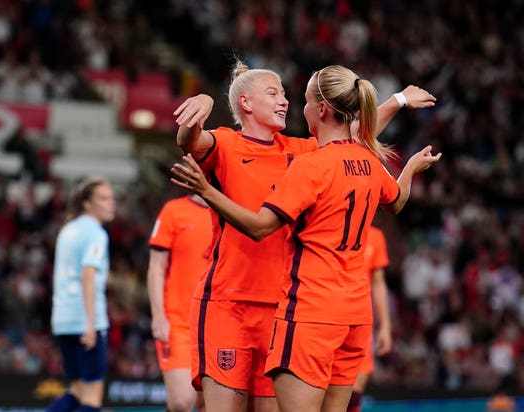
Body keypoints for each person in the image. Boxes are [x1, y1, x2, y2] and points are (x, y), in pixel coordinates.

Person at [171, 64, 441, 412]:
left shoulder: (303, 152)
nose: (284, 100)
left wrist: (398, 100)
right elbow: (188, 142)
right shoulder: (225, 142)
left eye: (286, 93)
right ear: (245, 102)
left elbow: (352, 141)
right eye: (273, 93)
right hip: (230, 305)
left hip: (285, 309)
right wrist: (201, 105)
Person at [47, 177, 116, 412]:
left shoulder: (68, 229)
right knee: (92, 396)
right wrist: (90, 324)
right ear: (87, 204)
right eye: (104, 199)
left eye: (111, 197)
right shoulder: (96, 233)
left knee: (77, 390)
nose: (111, 203)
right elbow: (88, 274)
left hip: (64, 319)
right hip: (87, 319)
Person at [147, 194, 211, 412]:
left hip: (218, 323)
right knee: (181, 403)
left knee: (209, 404)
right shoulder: (173, 211)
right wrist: (158, 316)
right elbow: (156, 267)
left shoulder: (230, 212)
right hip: (178, 322)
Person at [347, 225, 391, 412]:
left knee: (353, 394)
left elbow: (378, 283)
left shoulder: (376, 237)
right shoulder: (331, 227)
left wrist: (385, 326)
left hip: (361, 324)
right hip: (327, 319)